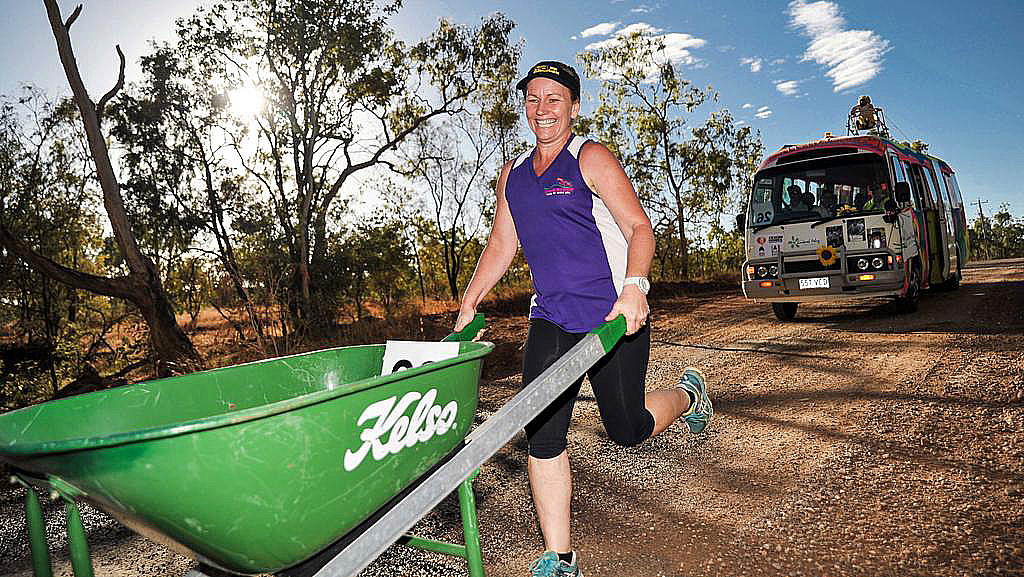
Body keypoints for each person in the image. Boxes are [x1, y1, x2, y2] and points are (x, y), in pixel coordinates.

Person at [453, 60, 713, 577]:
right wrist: (470, 301)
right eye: (532, 98)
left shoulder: (589, 157)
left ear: (573, 107)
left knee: (627, 427)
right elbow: (503, 242)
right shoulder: (513, 175)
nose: (541, 108)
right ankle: (561, 556)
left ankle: (688, 395)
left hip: (612, 317)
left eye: (554, 99)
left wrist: (635, 289)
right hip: (551, 318)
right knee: (543, 434)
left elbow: (639, 228)